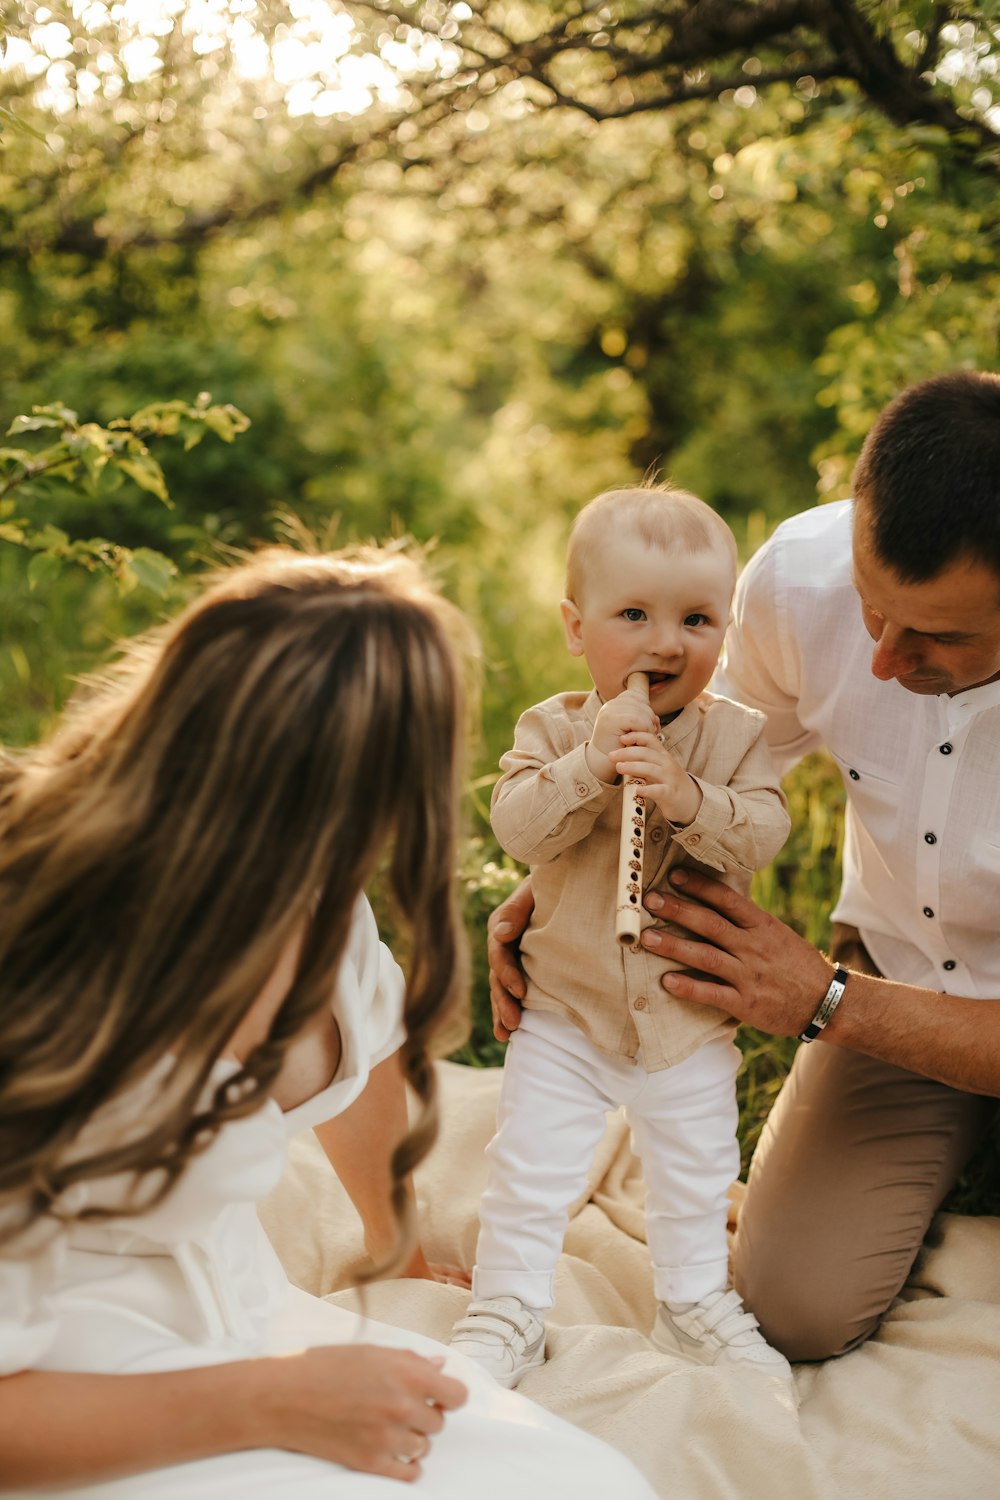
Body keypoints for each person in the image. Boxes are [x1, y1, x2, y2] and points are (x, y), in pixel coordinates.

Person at [0, 545, 658, 1500]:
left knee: (595, 1489)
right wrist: (272, 1403)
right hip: (69, 1388)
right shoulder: (49, 964)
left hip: (240, 1325)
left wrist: (399, 1238)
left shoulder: (312, 903)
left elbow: (363, 1052)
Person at [489, 369, 1000, 1366]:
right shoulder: (794, 576)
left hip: (858, 997)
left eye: (942, 636)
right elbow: (691, 767)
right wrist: (572, 882)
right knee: (793, 1304)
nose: (886, 661)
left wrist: (824, 1002)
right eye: (870, 610)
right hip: (898, 970)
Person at [449, 485, 792, 1389]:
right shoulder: (553, 728)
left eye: (697, 618)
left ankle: (692, 1302)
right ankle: (509, 1307)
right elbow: (519, 829)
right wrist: (593, 764)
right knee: (529, 1170)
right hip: (566, 1008)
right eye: (633, 614)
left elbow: (762, 832)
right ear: (576, 626)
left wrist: (684, 799)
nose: (666, 642)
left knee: (694, 1172)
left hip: (686, 1019)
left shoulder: (736, 739)